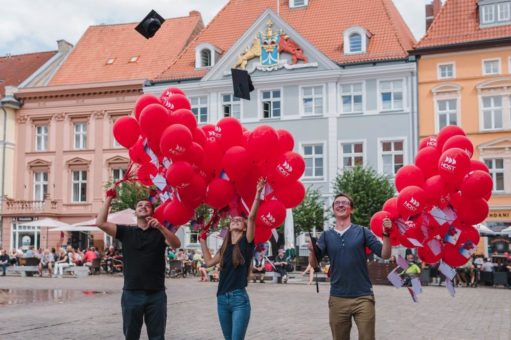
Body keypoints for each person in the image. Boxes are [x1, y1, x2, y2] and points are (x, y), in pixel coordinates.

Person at [96, 186, 181, 340]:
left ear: (152, 212)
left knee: (157, 336)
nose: (143, 206)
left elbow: (176, 244)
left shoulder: (160, 232)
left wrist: (161, 227)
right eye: (140, 205)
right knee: (131, 335)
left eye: (147, 205)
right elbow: (101, 223)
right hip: (131, 292)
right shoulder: (126, 232)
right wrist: (109, 197)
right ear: (135, 212)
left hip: (156, 293)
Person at [308, 193, 392, 340]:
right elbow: (313, 264)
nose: (341, 205)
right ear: (334, 209)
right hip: (338, 297)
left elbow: (385, 254)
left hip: (363, 297)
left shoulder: (363, 232)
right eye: (337, 203)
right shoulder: (326, 236)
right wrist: (311, 250)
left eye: (345, 203)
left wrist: (387, 234)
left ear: (351, 209)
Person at [199, 179, 264, 340]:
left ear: (243, 227)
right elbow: (208, 262)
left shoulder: (246, 243)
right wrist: (202, 242)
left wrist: (257, 192)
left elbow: (251, 218)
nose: (236, 220)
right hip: (221, 299)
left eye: (239, 221)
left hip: (239, 300)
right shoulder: (225, 247)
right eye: (233, 219)